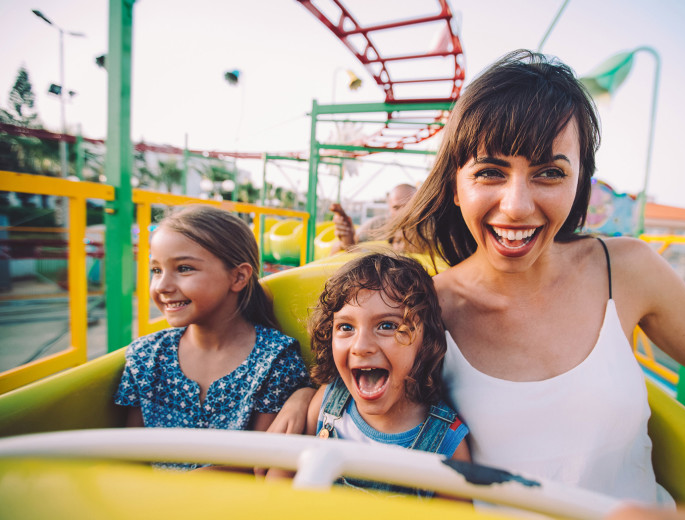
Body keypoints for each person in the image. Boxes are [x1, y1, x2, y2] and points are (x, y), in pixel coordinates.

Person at [387, 50, 685, 518]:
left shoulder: (627, 269)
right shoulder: (422, 312)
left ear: (581, 183)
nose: (516, 205)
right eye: (490, 172)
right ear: (456, 186)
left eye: (550, 173)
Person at [114, 205, 310, 471]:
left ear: (238, 276)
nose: (162, 286)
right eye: (156, 270)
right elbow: (131, 456)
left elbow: (260, 467)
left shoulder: (275, 358)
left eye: (183, 268)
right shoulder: (146, 356)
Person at [271, 252, 470, 496]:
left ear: (426, 340)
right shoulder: (327, 402)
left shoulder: (445, 441)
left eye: (387, 325)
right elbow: (280, 480)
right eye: (346, 327)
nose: (361, 346)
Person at [329, 183, 417, 254]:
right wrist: (347, 241)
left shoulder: (427, 229)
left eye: (408, 206)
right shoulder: (377, 225)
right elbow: (340, 248)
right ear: (389, 208)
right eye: (396, 208)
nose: (402, 213)